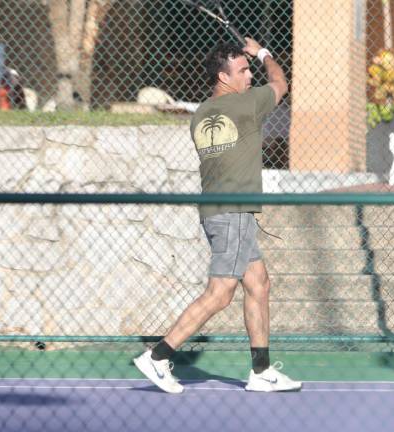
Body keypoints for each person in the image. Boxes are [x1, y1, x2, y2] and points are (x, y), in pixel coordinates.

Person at [134, 37, 301, 394]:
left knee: (258, 283)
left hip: (218, 210)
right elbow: (280, 83)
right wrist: (263, 54)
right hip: (233, 212)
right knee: (221, 292)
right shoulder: (245, 104)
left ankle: (261, 371)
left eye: (249, 69)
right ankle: (157, 357)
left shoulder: (201, 114)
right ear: (223, 77)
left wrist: (249, 59)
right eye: (243, 71)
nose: (249, 76)